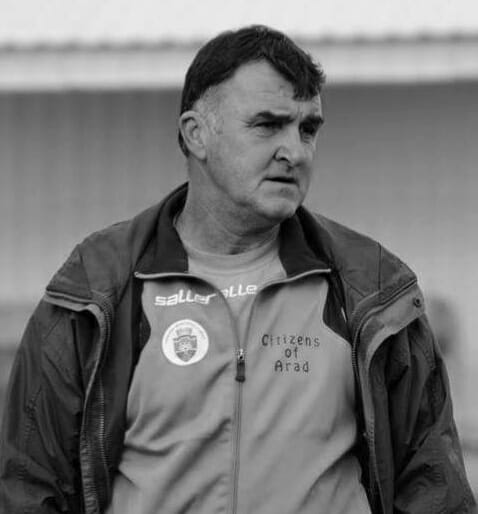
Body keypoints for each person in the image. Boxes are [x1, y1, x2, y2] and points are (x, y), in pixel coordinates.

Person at [0, 25, 475, 514]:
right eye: (268, 125)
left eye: (307, 129)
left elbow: (434, 490)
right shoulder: (96, 287)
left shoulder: (372, 288)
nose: (295, 152)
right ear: (196, 134)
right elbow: (30, 488)